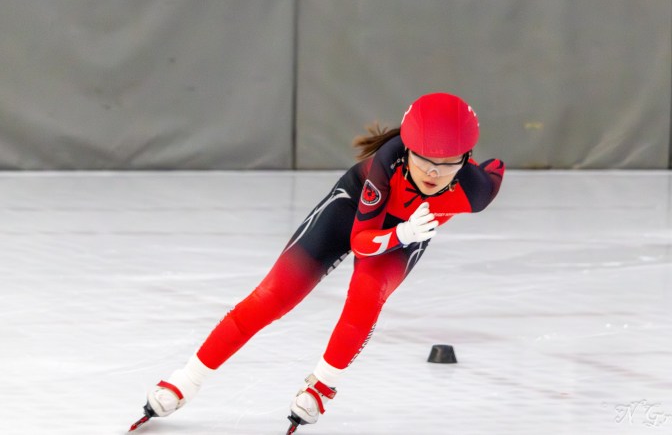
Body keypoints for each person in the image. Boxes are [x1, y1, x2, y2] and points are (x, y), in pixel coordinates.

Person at [129, 92, 505, 433]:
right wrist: (403, 233)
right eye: (423, 159)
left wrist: (415, 228)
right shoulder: (387, 163)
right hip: (355, 212)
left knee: (366, 296)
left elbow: (496, 167)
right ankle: (186, 380)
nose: (433, 172)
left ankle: (322, 385)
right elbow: (361, 242)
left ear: (466, 158)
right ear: (407, 149)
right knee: (274, 295)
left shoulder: (476, 191)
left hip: (407, 231)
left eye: (447, 162)